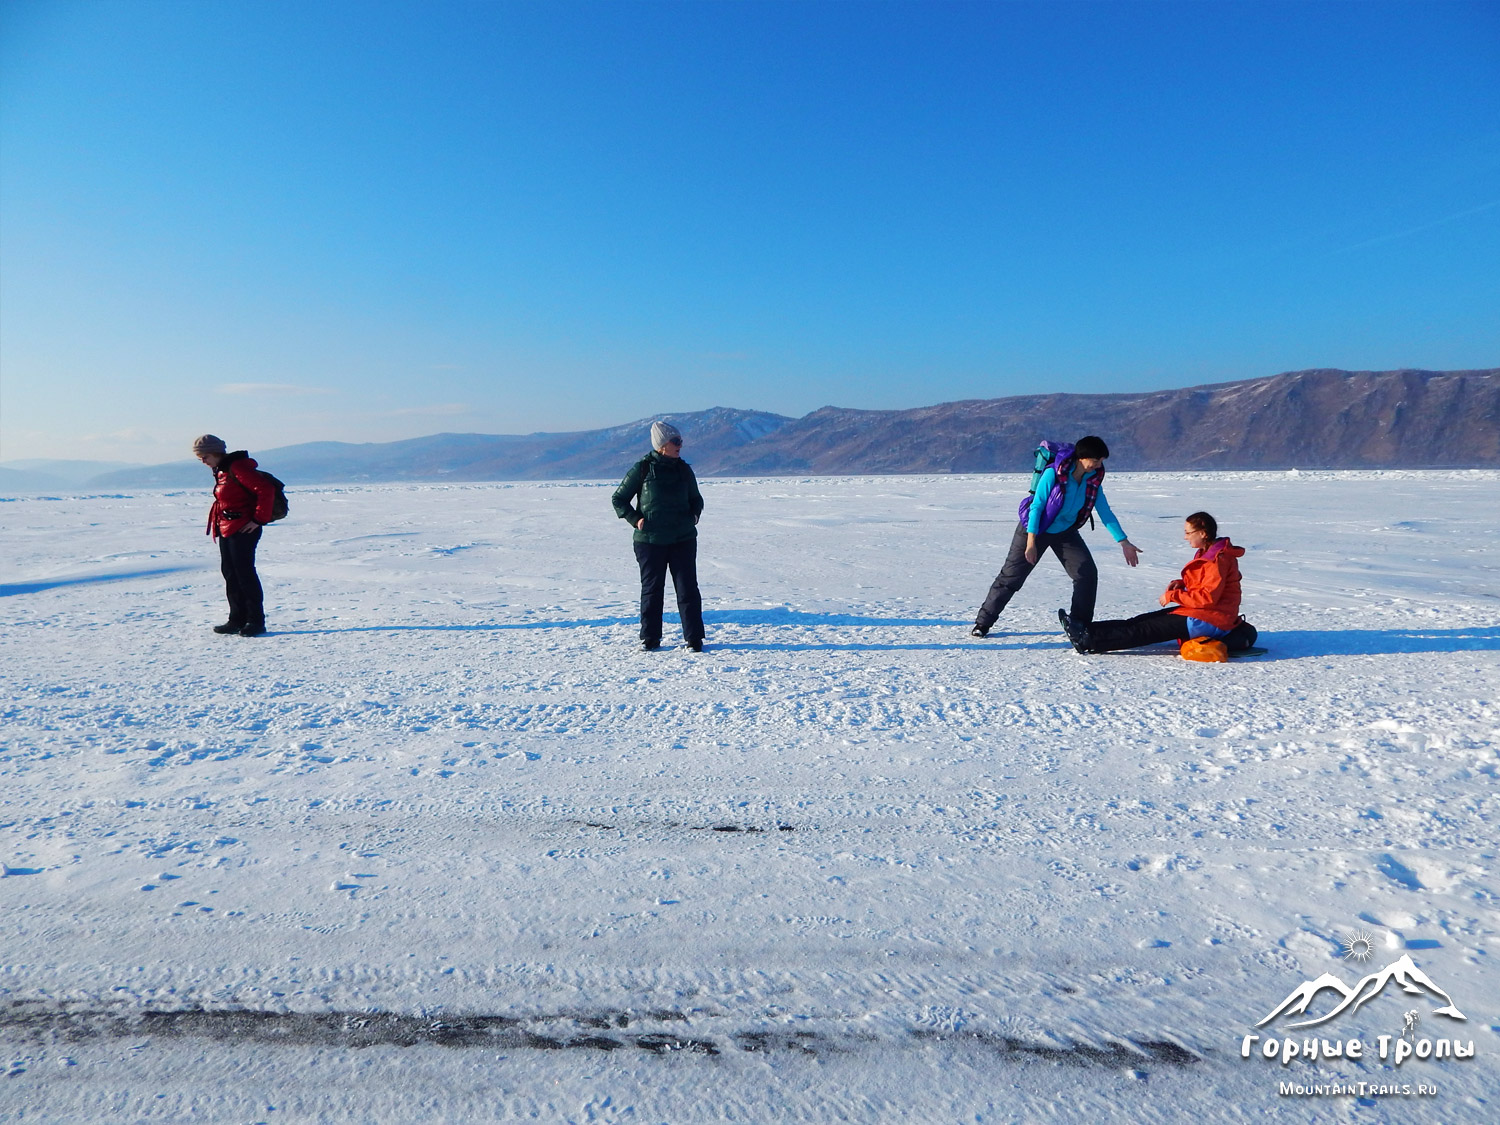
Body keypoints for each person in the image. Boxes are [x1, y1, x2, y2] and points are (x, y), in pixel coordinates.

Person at [971, 435, 1141, 637]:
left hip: (1065, 532)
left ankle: (1079, 625)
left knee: (1086, 574)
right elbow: (1037, 506)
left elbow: (1105, 512)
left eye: (1101, 461)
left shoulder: (1092, 480)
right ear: (1082, 457)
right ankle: (983, 624)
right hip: (1036, 528)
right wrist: (1031, 542)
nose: (1098, 465)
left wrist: (1123, 542)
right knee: (1011, 577)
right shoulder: (1054, 473)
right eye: (1095, 460)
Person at [1059, 510, 1258, 654]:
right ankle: (1085, 630)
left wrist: (1173, 595)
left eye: (1189, 532)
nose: (1185, 537)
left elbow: (1207, 598)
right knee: (1140, 621)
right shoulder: (1209, 553)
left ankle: (1087, 640)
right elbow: (1205, 587)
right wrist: (1181, 584)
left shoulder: (1218, 560)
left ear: (1203, 533)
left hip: (1210, 619)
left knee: (1144, 630)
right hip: (1200, 613)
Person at [612, 421, 706, 652]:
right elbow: (619, 499)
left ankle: (694, 639)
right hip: (650, 542)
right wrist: (636, 520)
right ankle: (650, 638)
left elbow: (697, 499)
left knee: (687, 589)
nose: (680, 446)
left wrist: (694, 515)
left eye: (680, 441)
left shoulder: (684, 470)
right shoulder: (642, 469)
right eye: (675, 441)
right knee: (652, 590)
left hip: (682, 539)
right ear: (662, 445)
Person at [193, 434, 276, 636]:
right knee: (230, 573)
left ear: (214, 453)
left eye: (204, 457)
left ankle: (256, 621)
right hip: (226, 527)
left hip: (243, 528)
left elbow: (265, 490)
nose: (203, 462)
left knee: (244, 574)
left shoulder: (238, 468)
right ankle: (236, 619)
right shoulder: (221, 471)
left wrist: (257, 520)